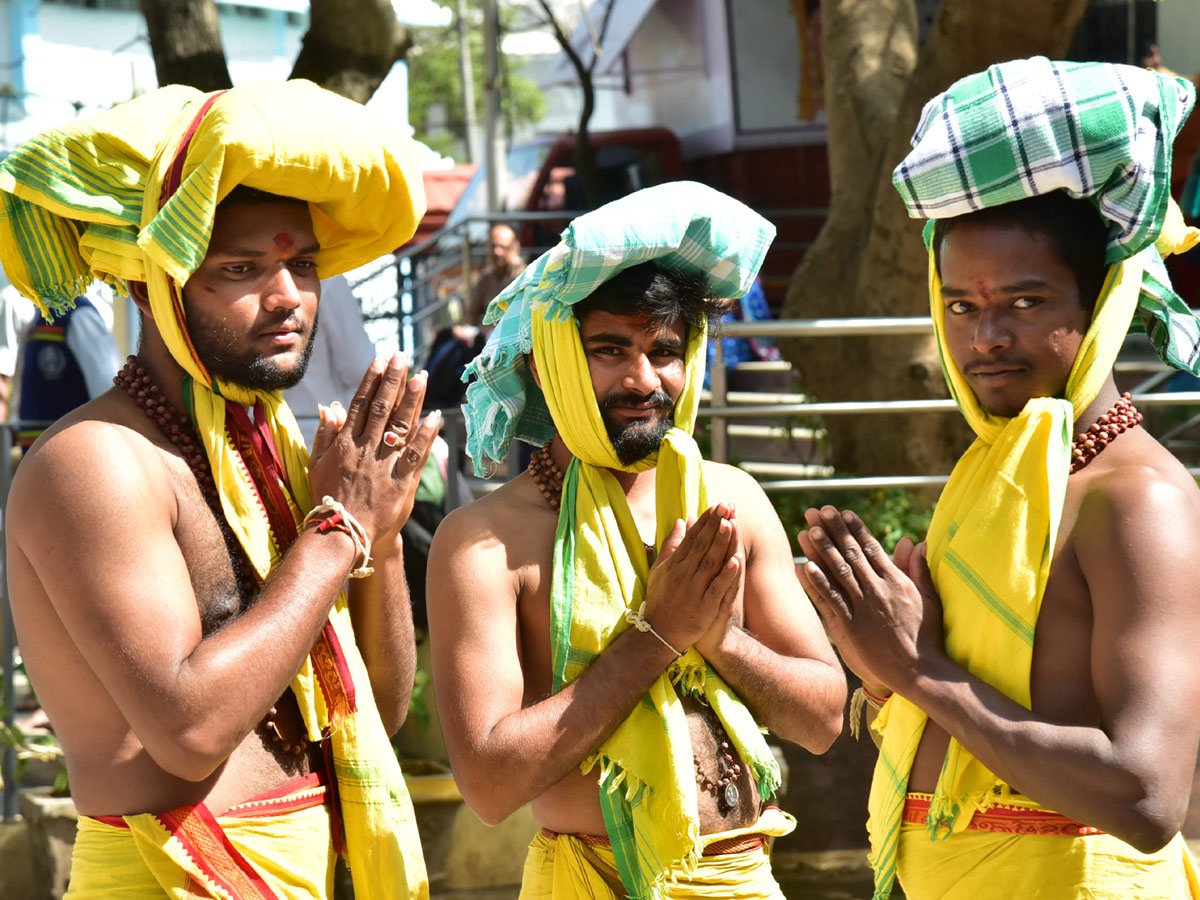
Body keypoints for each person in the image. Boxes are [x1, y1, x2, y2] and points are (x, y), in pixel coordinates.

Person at [2, 81, 437, 899]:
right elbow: (190, 730)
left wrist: (376, 539)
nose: (288, 299)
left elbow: (374, 704)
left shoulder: (263, 452)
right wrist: (338, 530)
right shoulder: (96, 460)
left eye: (301, 264)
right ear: (148, 286)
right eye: (242, 268)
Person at [796, 57, 1200, 900]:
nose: (983, 338)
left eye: (1024, 303)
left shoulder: (1136, 499)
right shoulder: (995, 479)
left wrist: (917, 672)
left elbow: (1148, 794)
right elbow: (956, 709)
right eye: (959, 305)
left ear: (1098, 304)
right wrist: (877, 660)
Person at [426, 182, 846, 900]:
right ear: (546, 360)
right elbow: (490, 786)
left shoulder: (730, 499)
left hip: (745, 876)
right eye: (610, 349)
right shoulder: (484, 542)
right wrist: (658, 635)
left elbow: (825, 718)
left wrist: (721, 641)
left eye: (665, 351)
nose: (644, 379)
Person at [17, 280, 120, 451]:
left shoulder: (80, 315)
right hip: (40, 452)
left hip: (69, 451)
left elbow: (106, 388)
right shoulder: (38, 317)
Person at [282, 273, 378, 445]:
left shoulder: (254, 283)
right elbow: (359, 366)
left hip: (267, 433)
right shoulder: (329, 280)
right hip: (322, 433)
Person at [464, 222, 525, 326]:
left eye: (503, 247)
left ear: (515, 249)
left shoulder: (523, 277)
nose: (497, 252)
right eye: (493, 246)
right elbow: (471, 315)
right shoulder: (486, 278)